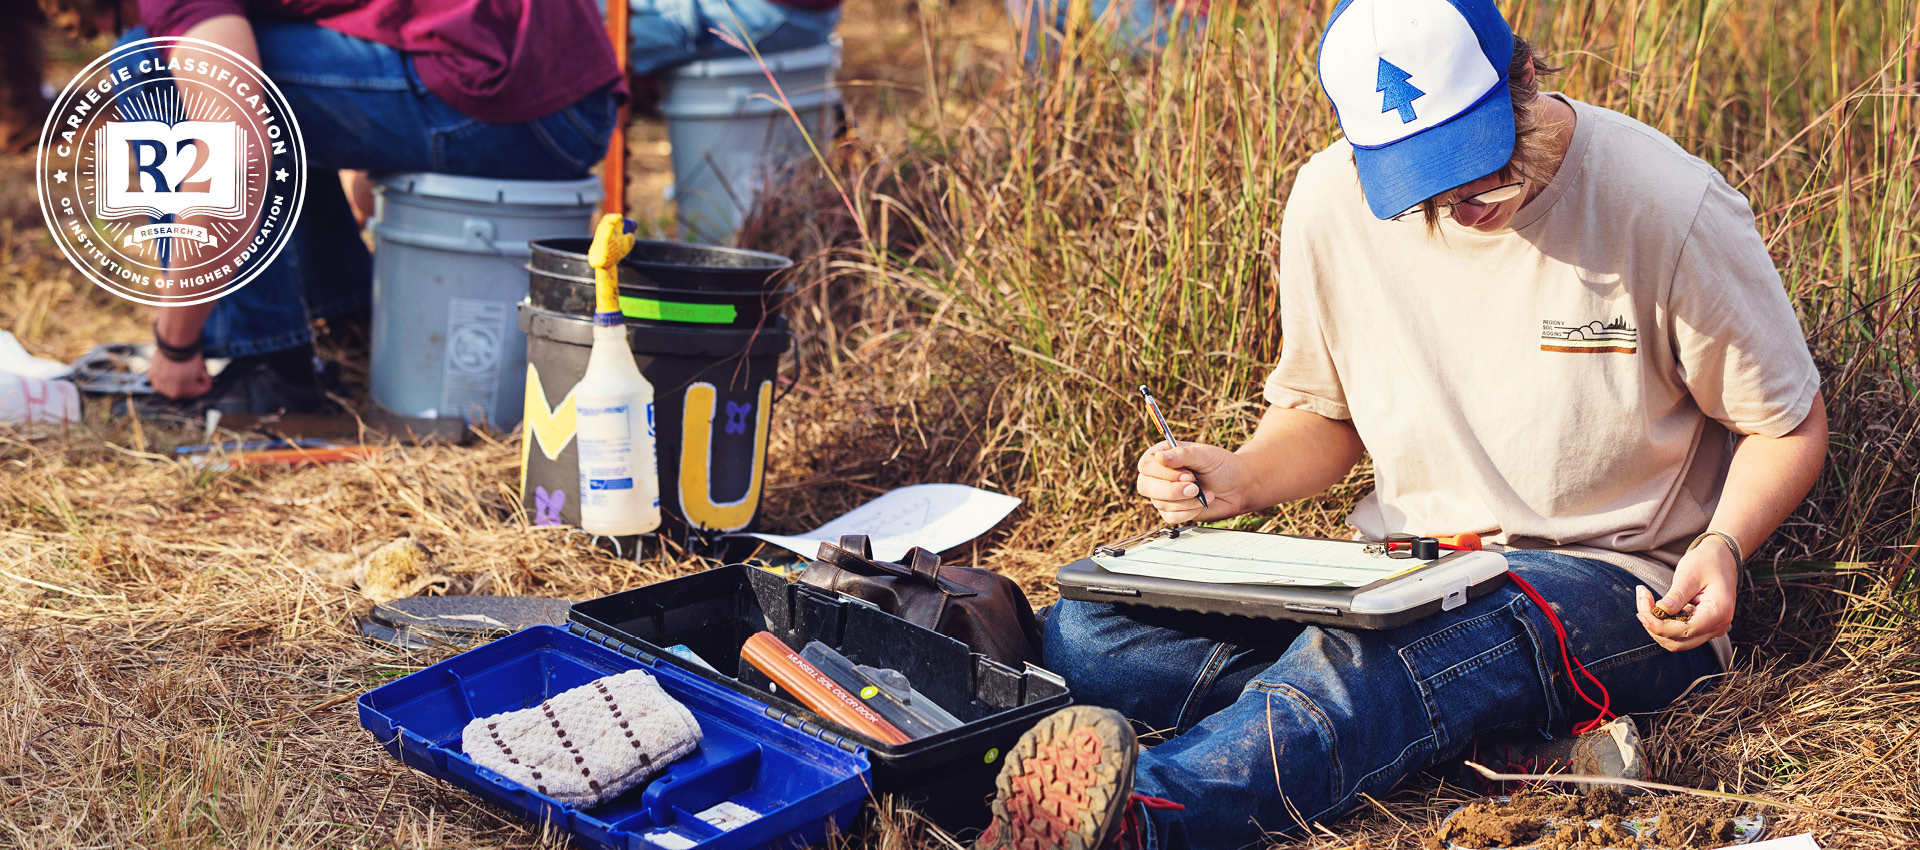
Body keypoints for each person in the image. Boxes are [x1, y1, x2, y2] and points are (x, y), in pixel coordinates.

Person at [975, 0, 1828, 848]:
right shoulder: (1327, 199)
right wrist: (1237, 477)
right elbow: (1324, 416)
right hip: (1402, 574)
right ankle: (1485, 746)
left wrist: (1721, 544)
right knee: (1095, 635)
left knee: (1379, 659)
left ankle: (1147, 819)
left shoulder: (1666, 203)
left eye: (1480, 169)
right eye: (1420, 187)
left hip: (1617, 586)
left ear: (1524, 78)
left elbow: (1787, 425)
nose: (1461, 206)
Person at [129, 0, 623, 417]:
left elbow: (238, 148)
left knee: (144, 65)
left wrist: (177, 343)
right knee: (242, 66)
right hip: (576, 92)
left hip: (504, 94)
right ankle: (344, 322)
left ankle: (265, 363)